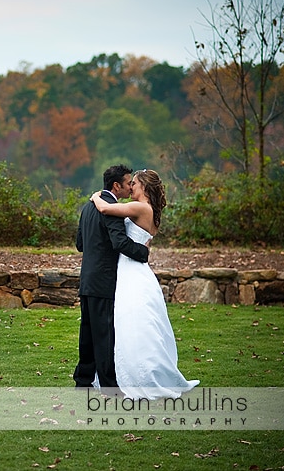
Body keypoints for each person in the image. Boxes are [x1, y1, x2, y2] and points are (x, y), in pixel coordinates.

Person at [90, 169, 200, 399]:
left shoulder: (141, 208)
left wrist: (96, 196)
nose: (131, 188)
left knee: (132, 323)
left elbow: (106, 209)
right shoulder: (148, 211)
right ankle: (130, 371)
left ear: (144, 188)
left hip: (132, 273)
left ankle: (140, 375)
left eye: (135, 184)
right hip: (134, 271)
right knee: (132, 324)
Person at [73, 165, 150, 393]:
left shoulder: (88, 207)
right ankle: (109, 387)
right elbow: (119, 243)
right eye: (128, 183)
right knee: (104, 335)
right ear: (116, 185)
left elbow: (80, 244)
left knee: (87, 334)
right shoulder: (112, 209)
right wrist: (143, 252)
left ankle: (83, 382)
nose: (129, 187)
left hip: (87, 280)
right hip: (104, 280)